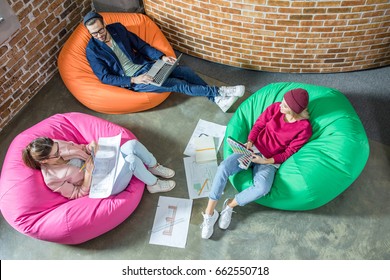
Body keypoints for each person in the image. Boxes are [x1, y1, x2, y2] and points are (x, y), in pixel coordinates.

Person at [200, 88, 313, 239]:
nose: (280, 105)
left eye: (285, 105)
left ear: (294, 111)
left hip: (269, 161)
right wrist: (250, 141)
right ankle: (210, 214)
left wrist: (265, 161)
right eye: (283, 101)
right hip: (252, 148)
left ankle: (229, 205)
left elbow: (289, 152)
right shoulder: (275, 108)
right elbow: (259, 124)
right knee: (223, 168)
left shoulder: (304, 128)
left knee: (263, 188)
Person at [83, 11, 245, 113]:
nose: (99, 36)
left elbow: (141, 45)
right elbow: (105, 77)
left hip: (146, 65)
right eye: (94, 34)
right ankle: (221, 92)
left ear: (104, 23)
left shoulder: (117, 28)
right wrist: (133, 80)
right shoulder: (92, 50)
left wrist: (161, 57)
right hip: (135, 80)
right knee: (177, 83)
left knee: (185, 72)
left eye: (100, 30)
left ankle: (217, 99)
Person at [22, 138, 176, 199]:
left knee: (133, 144)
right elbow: (77, 194)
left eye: (58, 147)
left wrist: (90, 147)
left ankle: (154, 166)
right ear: (45, 161)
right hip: (101, 184)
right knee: (132, 160)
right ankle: (154, 184)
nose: (60, 151)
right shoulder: (51, 178)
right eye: (56, 154)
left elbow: (81, 147)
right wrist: (88, 174)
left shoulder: (56, 145)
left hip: (102, 163)